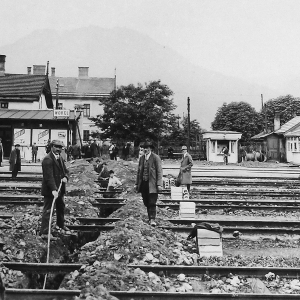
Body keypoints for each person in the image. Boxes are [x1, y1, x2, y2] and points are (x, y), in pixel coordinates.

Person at [40, 140, 69, 239]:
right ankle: (44, 232)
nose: (58, 149)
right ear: (52, 147)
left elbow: (65, 170)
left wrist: (65, 177)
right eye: (56, 147)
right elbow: (49, 177)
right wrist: (53, 189)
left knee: (61, 207)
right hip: (50, 190)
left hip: (59, 189)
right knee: (48, 210)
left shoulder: (59, 157)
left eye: (60, 147)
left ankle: (60, 225)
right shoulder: (47, 160)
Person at [135, 141, 163, 226]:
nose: (145, 150)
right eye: (144, 148)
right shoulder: (142, 158)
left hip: (153, 184)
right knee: (146, 202)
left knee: (152, 202)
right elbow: (139, 172)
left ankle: (152, 219)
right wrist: (137, 183)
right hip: (144, 183)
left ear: (150, 148)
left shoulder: (155, 158)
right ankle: (149, 218)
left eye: (147, 148)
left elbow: (159, 171)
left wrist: (159, 184)